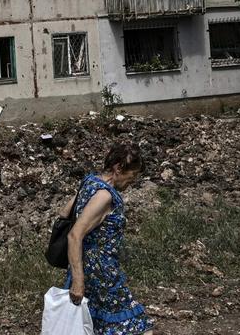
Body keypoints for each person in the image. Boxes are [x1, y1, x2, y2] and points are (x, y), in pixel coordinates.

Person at [62, 142, 154, 335]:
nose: (133, 180)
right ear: (119, 168)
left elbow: (64, 214)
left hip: (87, 266)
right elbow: (75, 234)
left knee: (96, 325)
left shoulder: (90, 183)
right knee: (137, 326)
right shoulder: (105, 196)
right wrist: (79, 281)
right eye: (133, 174)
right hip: (102, 273)